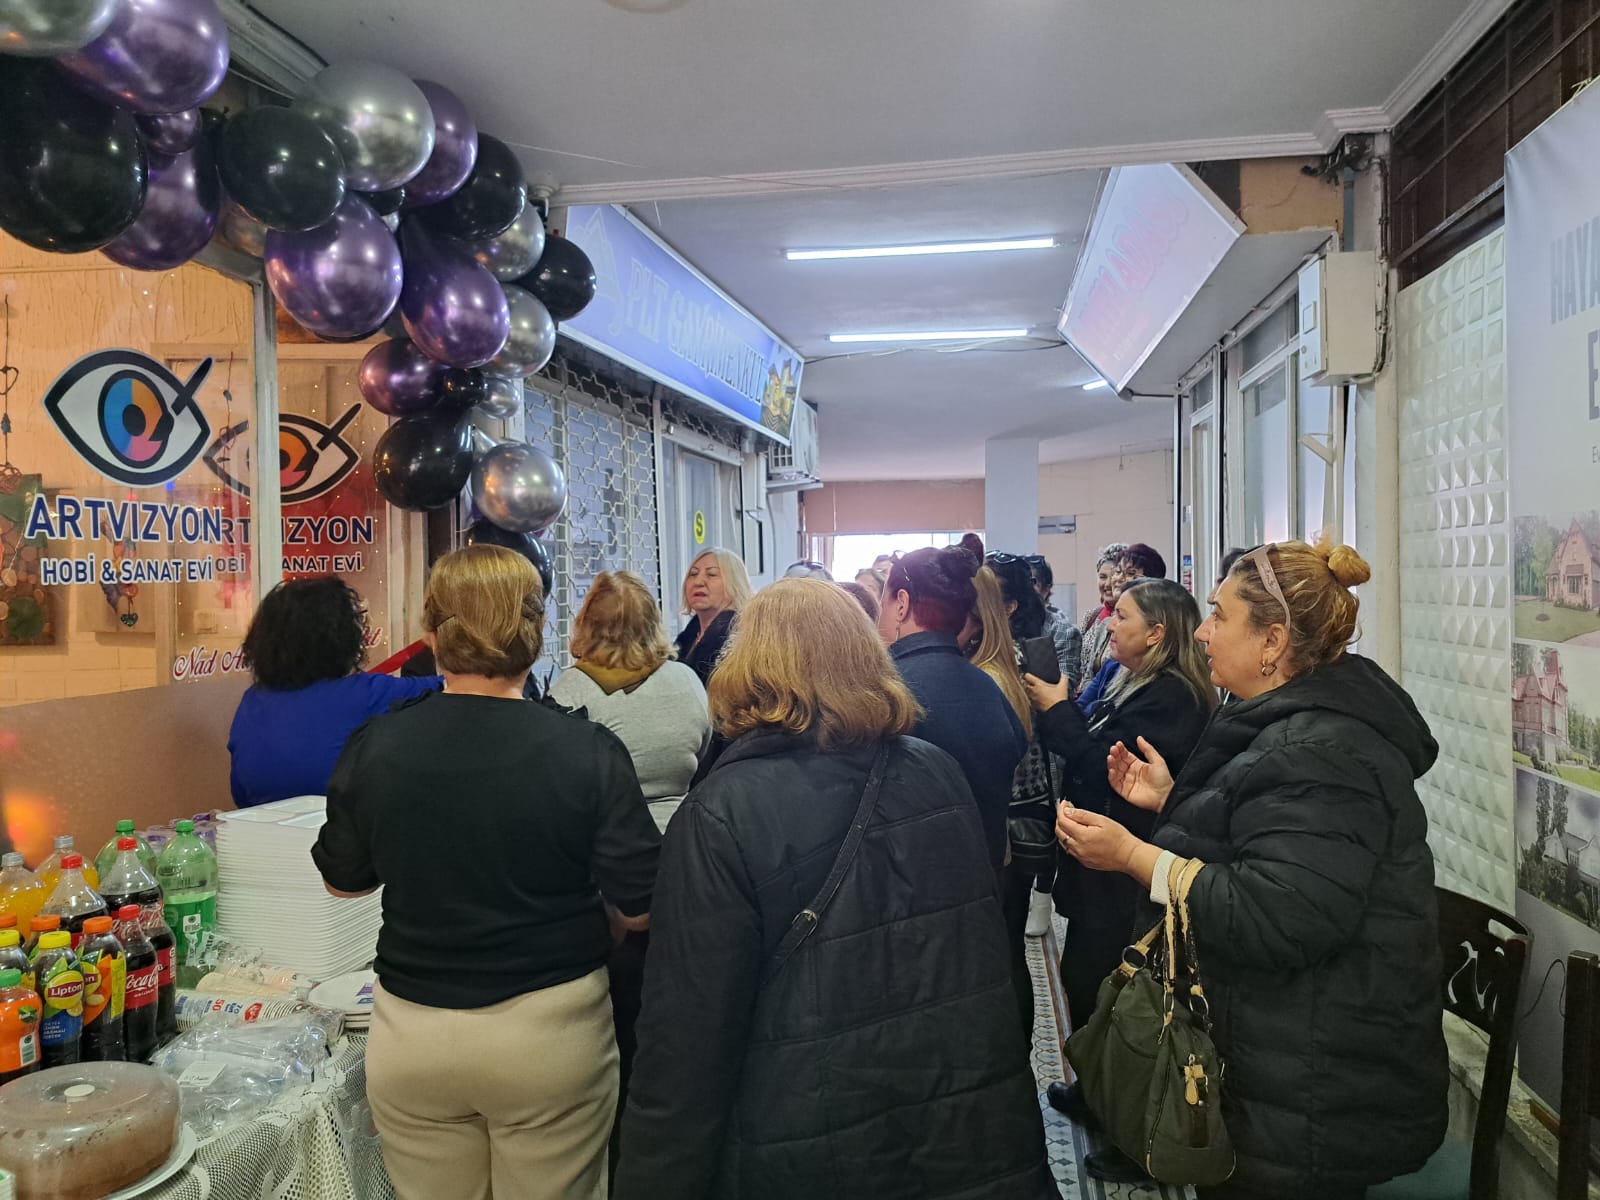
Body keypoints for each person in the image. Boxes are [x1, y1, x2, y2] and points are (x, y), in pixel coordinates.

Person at [615, 580, 1056, 1200]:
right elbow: (973, 953)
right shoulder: (935, 770)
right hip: (956, 1117)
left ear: (747, 667)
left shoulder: (720, 813)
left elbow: (686, 1042)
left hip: (805, 1130)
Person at [1057, 542, 1446, 1199]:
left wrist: (1134, 856)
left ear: (1273, 640)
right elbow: (1266, 840)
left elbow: (1280, 915)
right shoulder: (1285, 724)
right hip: (1281, 1054)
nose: (1201, 632)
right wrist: (1172, 801)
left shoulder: (1323, 750)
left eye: (1219, 615)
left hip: (1313, 1083)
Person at [311, 545, 661, 1200]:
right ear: (537, 631)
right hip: (550, 1031)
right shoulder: (587, 751)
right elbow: (642, 906)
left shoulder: (376, 745)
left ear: (430, 633)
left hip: (412, 1031)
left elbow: (343, 880)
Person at [1022, 578, 1214, 1168]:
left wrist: (1057, 708)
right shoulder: (1130, 680)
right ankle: (1098, 1095)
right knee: (1089, 978)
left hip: (1130, 869)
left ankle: (1132, 1131)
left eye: (1122, 616)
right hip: (1104, 865)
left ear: (1156, 633)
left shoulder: (1173, 698)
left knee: (1117, 992)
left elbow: (1099, 760)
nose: (1108, 623)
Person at [227, 576, 440, 808]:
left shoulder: (251, 702)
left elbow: (241, 794)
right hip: (339, 828)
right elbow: (458, 686)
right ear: (343, 637)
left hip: (258, 828)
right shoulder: (364, 694)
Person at [878, 546, 1026, 870]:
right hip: (982, 880)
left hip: (908, 884)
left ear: (901, 603)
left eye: (882, 600)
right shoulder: (990, 688)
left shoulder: (885, 692)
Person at [551, 572, 711, 836]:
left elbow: (558, 779)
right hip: (683, 836)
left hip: (607, 842)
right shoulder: (687, 678)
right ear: (653, 621)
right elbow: (704, 753)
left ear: (587, 623)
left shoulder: (572, 689)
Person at [672, 548, 750, 685]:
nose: (698, 582)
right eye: (693, 574)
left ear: (735, 583)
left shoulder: (739, 637)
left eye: (712, 574)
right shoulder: (690, 634)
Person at [1078, 543, 1127, 689]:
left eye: (1114, 576)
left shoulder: (1133, 621)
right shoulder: (1091, 617)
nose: (1108, 584)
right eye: (1102, 577)